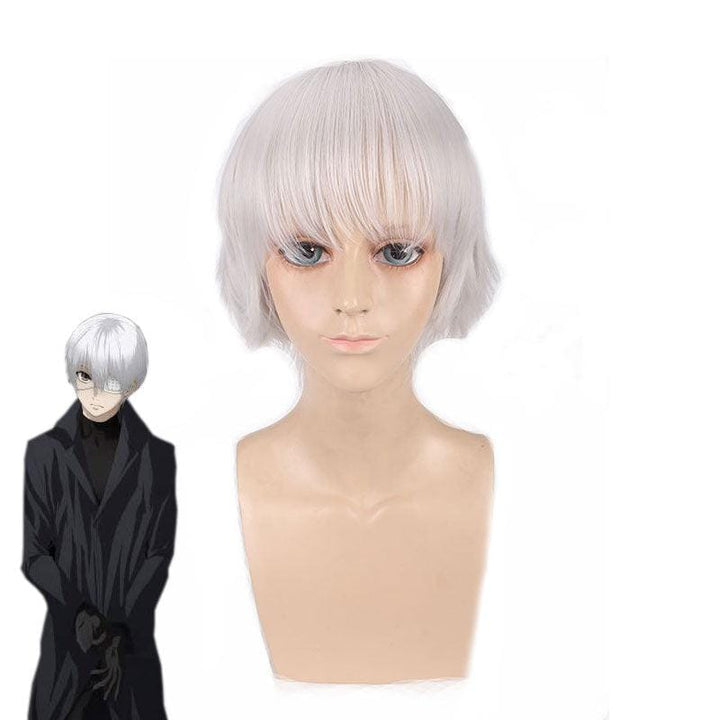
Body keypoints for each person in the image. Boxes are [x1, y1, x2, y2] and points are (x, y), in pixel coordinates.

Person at [217, 59, 499, 683]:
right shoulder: (182, 498)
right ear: (257, 261)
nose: (352, 298)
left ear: (449, 260)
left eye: (397, 252)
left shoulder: (546, 494)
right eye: (307, 251)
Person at [22, 313, 176, 719]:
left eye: (110, 382)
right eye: (85, 376)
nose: (92, 393)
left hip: (130, 651)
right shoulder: (44, 454)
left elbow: (158, 554)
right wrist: (81, 615)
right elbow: (35, 555)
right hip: (66, 651)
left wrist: (118, 628)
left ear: (132, 383)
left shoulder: (157, 459)